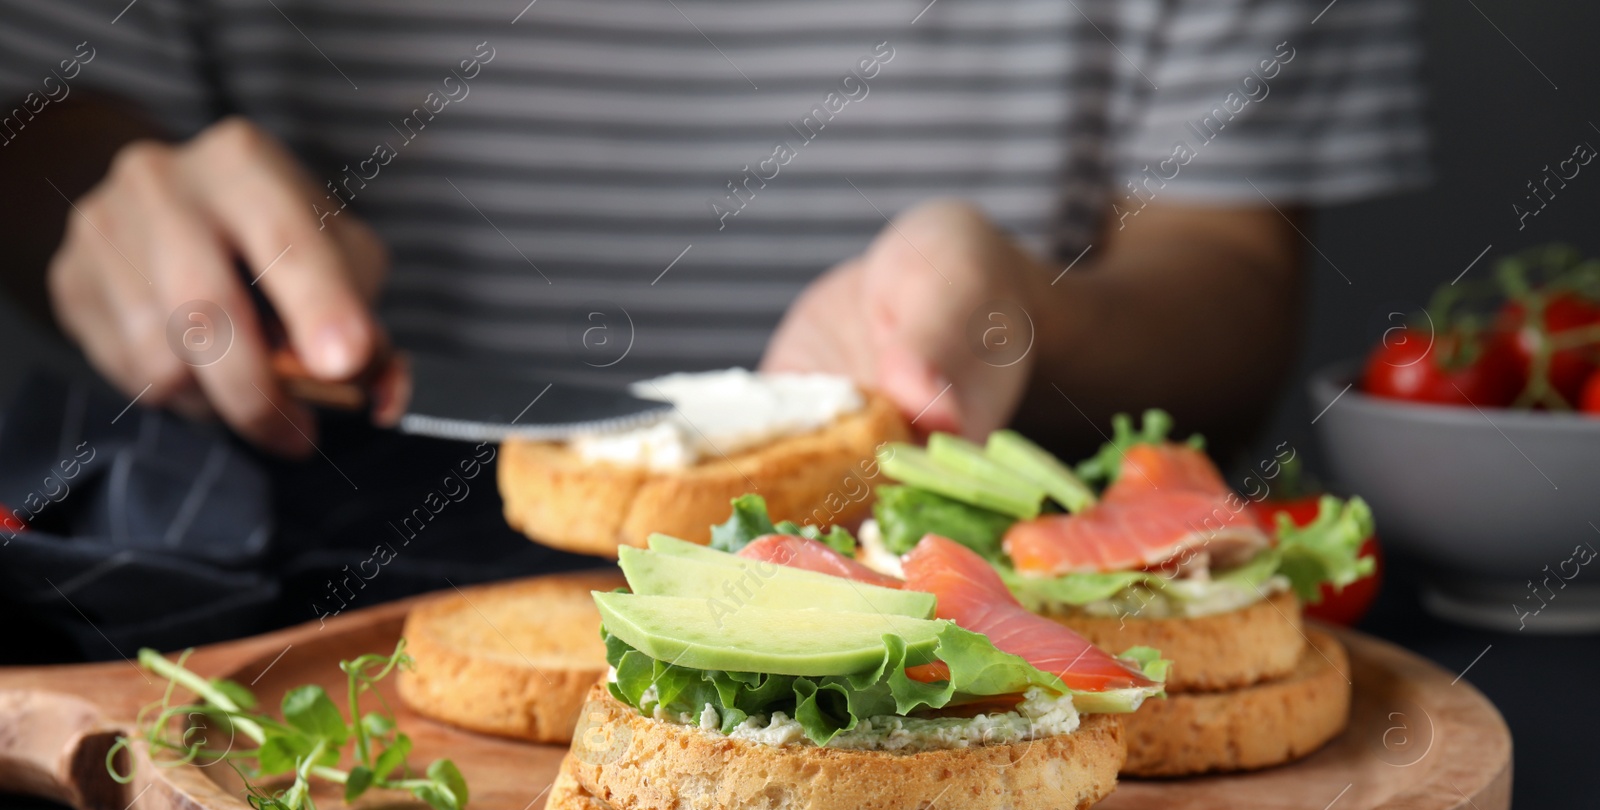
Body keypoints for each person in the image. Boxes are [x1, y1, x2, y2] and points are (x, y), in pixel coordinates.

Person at [0, 0, 1426, 459]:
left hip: (965, 564)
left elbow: (1231, 276)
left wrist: (1016, 321)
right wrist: (124, 196)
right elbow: (38, 119)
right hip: (272, 560)